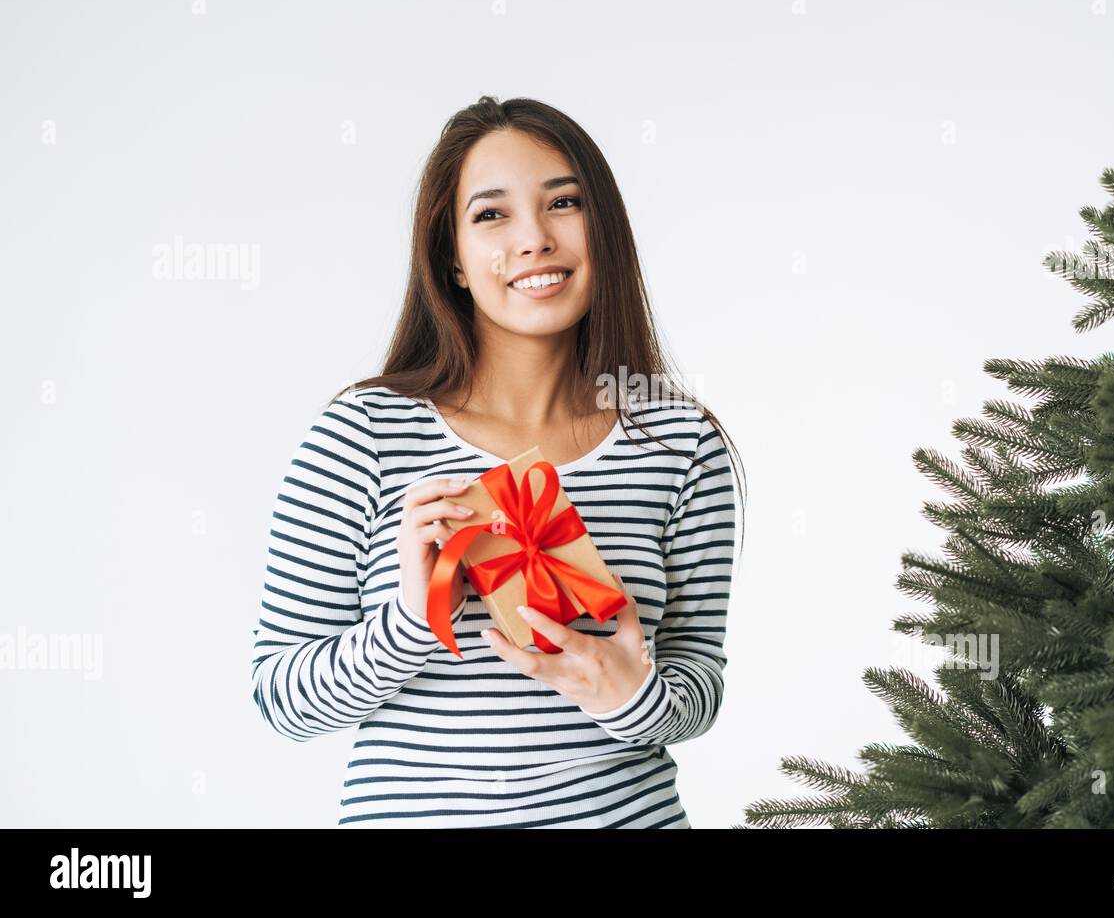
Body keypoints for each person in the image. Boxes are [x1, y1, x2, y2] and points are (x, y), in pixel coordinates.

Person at [250, 96, 744, 827]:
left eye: (563, 203)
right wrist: (411, 624)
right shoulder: (362, 434)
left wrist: (630, 697)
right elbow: (280, 700)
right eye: (491, 215)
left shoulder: (678, 442)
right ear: (451, 255)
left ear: (601, 229)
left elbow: (699, 685)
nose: (534, 239)